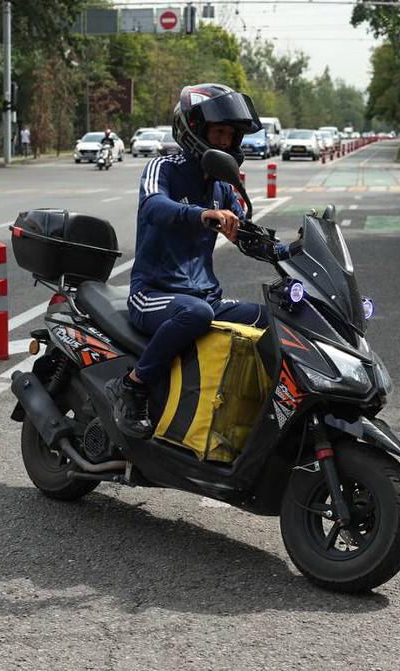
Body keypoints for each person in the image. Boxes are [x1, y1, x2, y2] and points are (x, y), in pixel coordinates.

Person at [105, 83, 272, 438]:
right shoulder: (163, 167)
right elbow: (153, 206)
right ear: (194, 130)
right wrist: (201, 214)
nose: (226, 142)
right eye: (219, 132)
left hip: (203, 295)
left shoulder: (224, 186)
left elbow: (246, 232)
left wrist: (290, 253)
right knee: (196, 314)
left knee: (271, 315)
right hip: (153, 292)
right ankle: (132, 386)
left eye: (231, 135)